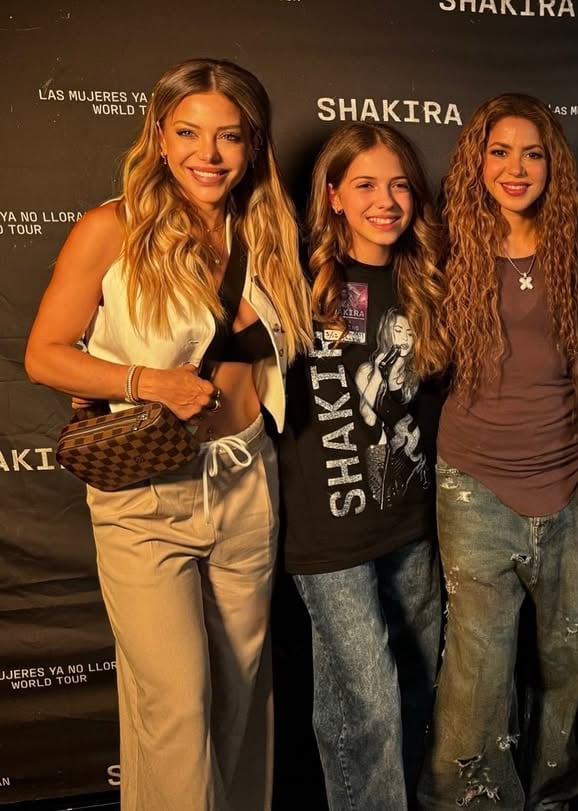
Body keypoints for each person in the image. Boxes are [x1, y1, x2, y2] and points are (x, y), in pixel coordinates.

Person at [23, 58, 312, 810]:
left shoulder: (267, 230)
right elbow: (43, 353)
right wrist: (147, 383)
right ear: (158, 134)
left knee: (241, 697)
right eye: (187, 132)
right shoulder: (110, 228)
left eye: (228, 137)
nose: (207, 155)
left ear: (253, 144)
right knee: (176, 705)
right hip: (149, 493)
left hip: (249, 480)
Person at [419, 92, 578, 810]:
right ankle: (468, 800)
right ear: (476, 163)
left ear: (553, 165)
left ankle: (553, 793)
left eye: (532, 152)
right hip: (474, 481)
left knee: (567, 657)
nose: (516, 167)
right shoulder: (444, 242)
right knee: (477, 664)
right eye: (499, 150)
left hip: (571, 475)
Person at [277, 122, 448, 810]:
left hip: (412, 525)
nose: (387, 200)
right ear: (334, 194)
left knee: (406, 695)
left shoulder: (427, 282)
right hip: (328, 538)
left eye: (400, 184)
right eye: (367, 184)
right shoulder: (293, 278)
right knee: (369, 705)